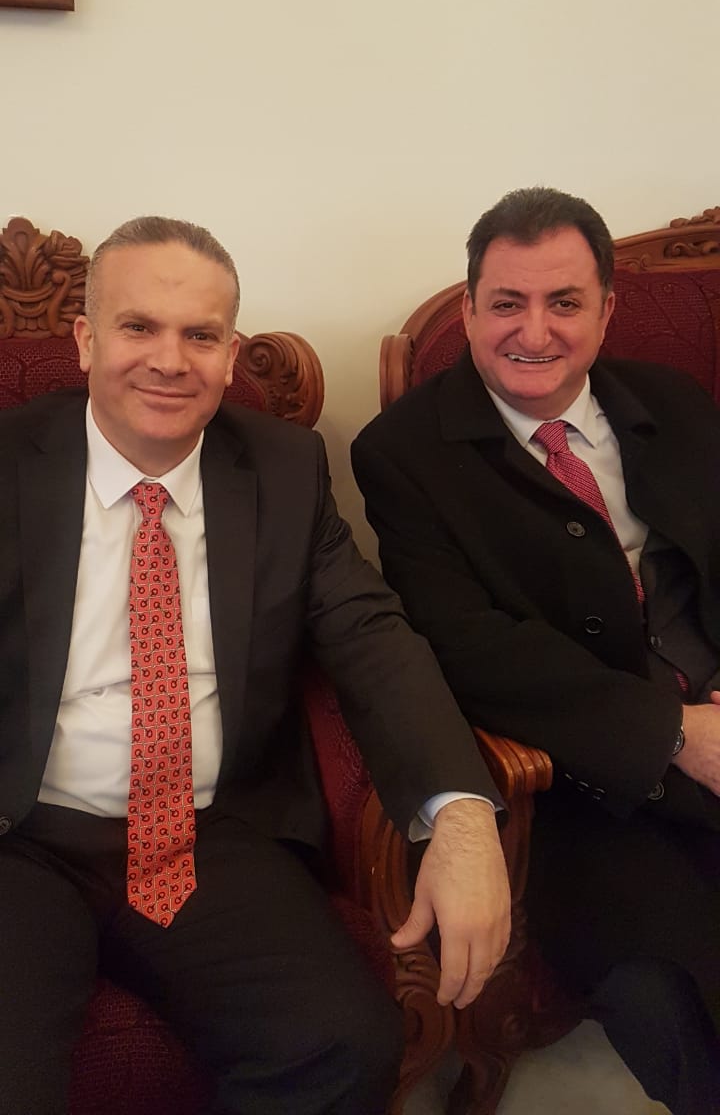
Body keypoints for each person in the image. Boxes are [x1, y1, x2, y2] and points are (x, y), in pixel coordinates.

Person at [0, 215, 511, 1115]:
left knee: (342, 1044)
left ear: (231, 356)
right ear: (84, 339)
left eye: (200, 336)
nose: (169, 361)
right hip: (23, 834)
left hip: (208, 830)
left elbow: (370, 634)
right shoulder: (11, 462)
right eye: (138, 327)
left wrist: (463, 818)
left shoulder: (284, 468)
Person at [352, 186, 720, 1115]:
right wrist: (677, 733)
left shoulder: (674, 404)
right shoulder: (402, 453)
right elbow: (467, 645)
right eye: (507, 303)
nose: (534, 332)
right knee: (673, 997)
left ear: (607, 310)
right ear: (471, 307)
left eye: (564, 303)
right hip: (584, 787)